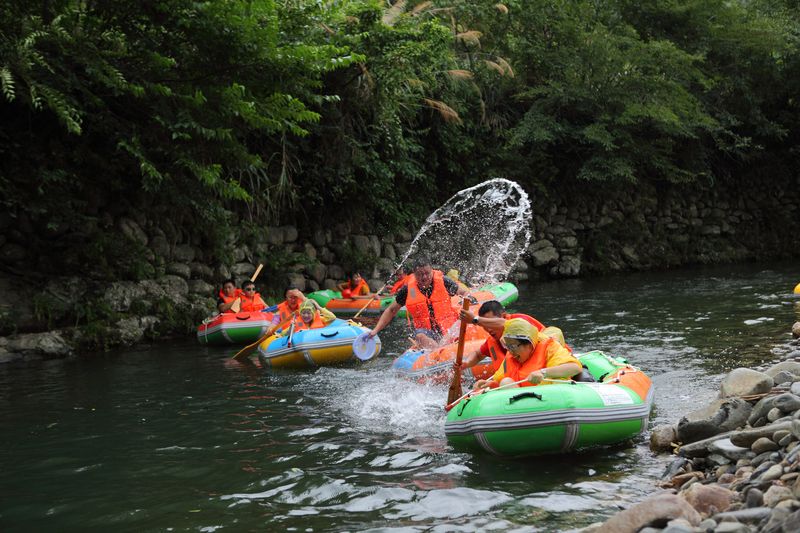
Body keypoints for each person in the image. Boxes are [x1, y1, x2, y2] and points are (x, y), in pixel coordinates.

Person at [367, 257, 471, 350]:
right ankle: (439, 353)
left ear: (432, 271)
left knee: (458, 329)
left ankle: (441, 350)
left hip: (449, 329)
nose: (424, 277)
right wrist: (375, 330)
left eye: (427, 273)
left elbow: (464, 292)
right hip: (428, 334)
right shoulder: (407, 290)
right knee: (419, 335)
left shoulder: (443, 281)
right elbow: (391, 310)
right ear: (414, 274)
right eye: (420, 274)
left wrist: (468, 299)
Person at [473, 318, 581, 390]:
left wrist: (543, 373)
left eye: (514, 346)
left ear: (529, 344)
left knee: (559, 381)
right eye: (508, 347)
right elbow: (499, 379)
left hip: (550, 397)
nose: (511, 351)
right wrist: (489, 385)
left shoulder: (549, 347)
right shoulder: (511, 356)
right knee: (506, 382)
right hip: (523, 403)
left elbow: (574, 367)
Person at [456, 300, 545, 374]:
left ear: (504, 316)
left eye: (489, 322)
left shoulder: (520, 321)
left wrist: (475, 320)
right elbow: (478, 355)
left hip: (542, 372)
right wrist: (466, 363)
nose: (489, 329)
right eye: (485, 325)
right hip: (516, 381)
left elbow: (505, 324)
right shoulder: (492, 341)